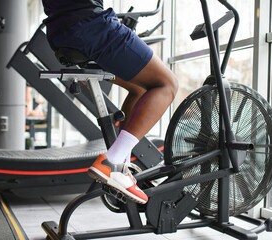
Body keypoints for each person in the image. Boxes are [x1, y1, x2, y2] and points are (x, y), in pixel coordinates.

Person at [42, 0, 178, 204]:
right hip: (91, 25)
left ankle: (120, 164)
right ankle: (112, 162)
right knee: (167, 84)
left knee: (141, 88)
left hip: (60, 30)